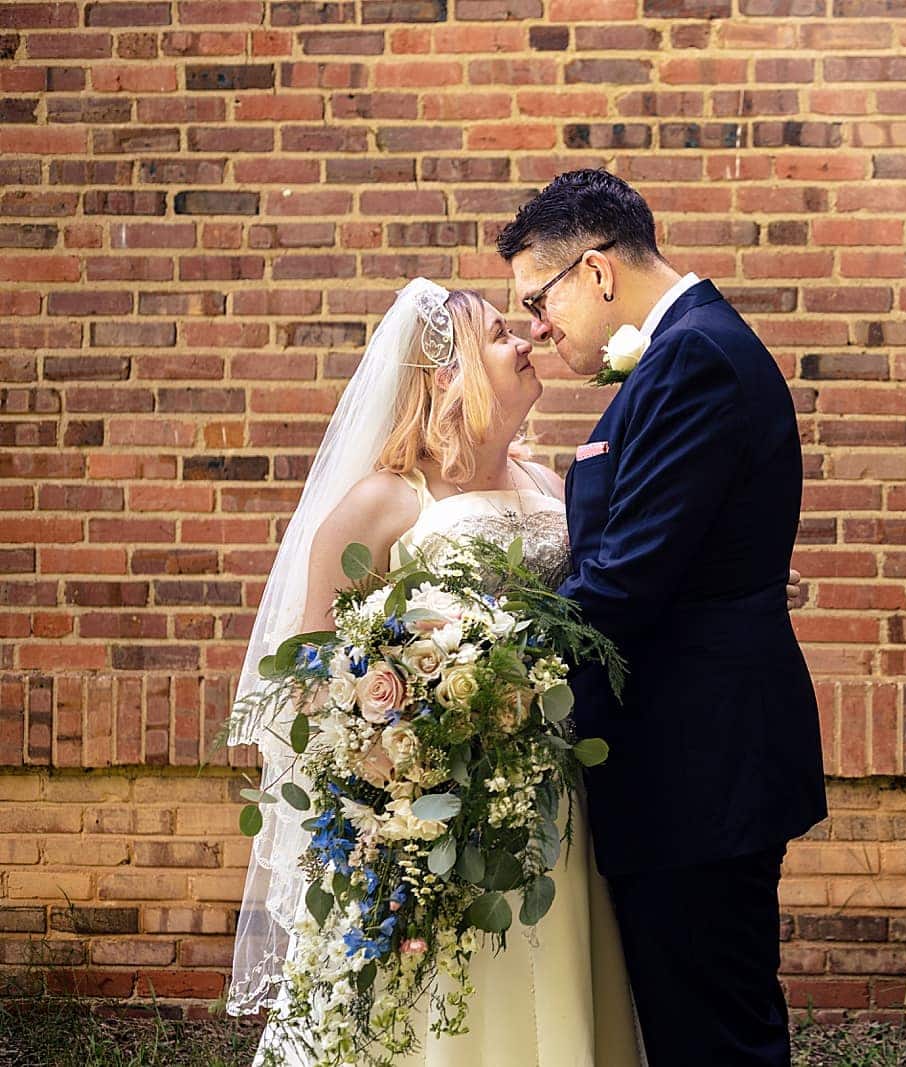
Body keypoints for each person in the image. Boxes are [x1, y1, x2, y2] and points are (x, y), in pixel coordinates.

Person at [224, 274, 805, 1065]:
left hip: (557, 799)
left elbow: (619, 588)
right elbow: (312, 668)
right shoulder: (384, 502)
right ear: (447, 373)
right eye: (501, 333)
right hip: (438, 808)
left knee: (555, 988)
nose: (525, 339)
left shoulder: (552, 488)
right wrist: (393, 758)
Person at [500, 169, 828, 1066]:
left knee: (713, 1041)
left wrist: (475, 667)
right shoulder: (682, 350)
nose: (536, 327)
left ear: (597, 273)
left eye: (539, 298)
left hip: (699, 764)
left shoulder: (695, 359)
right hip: (683, 764)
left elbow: (625, 580)